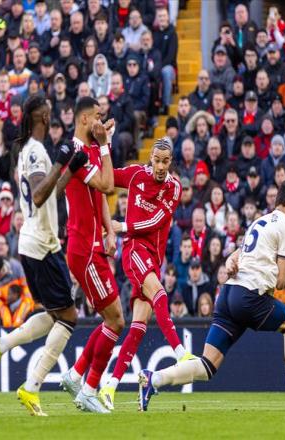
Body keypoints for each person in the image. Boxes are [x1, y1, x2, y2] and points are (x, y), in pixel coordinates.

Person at [138, 180, 285, 412]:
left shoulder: (260, 222)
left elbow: (235, 255)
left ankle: (153, 379)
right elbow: (281, 281)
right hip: (249, 297)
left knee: (208, 365)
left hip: (227, 295)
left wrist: (229, 262)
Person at [0, 95, 87, 415]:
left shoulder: (28, 151)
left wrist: (70, 169)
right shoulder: (36, 152)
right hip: (42, 245)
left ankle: (1, 345)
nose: (52, 116)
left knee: (57, 314)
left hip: (32, 243)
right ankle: (32, 386)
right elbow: (40, 196)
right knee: (69, 317)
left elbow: (50, 192)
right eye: (49, 113)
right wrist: (61, 161)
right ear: (42, 117)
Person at [97, 136, 192, 410]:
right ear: (151, 158)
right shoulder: (136, 175)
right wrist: (103, 147)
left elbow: (156, 221)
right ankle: (181, 354)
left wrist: (121, 226)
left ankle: (109, 387)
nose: (160, 166)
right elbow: (107, 179)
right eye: (157, 160)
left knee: (138, 327)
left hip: (153, 257)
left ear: (171, 161)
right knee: (160, 294)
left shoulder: (174, 188)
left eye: (165, 161)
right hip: (135, 250)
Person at [60, 97, 125, 414]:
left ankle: (76, 375)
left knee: (112, 318)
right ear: (85, 119)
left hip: (92, 246)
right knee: (116, 320)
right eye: (98, 117)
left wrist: (110, 231)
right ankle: (88, 390)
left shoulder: (87, 150)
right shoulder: (76, 154)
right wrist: (106, 144)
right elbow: (109, 185)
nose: (102, 121)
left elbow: (99, 195)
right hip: (83, 250)